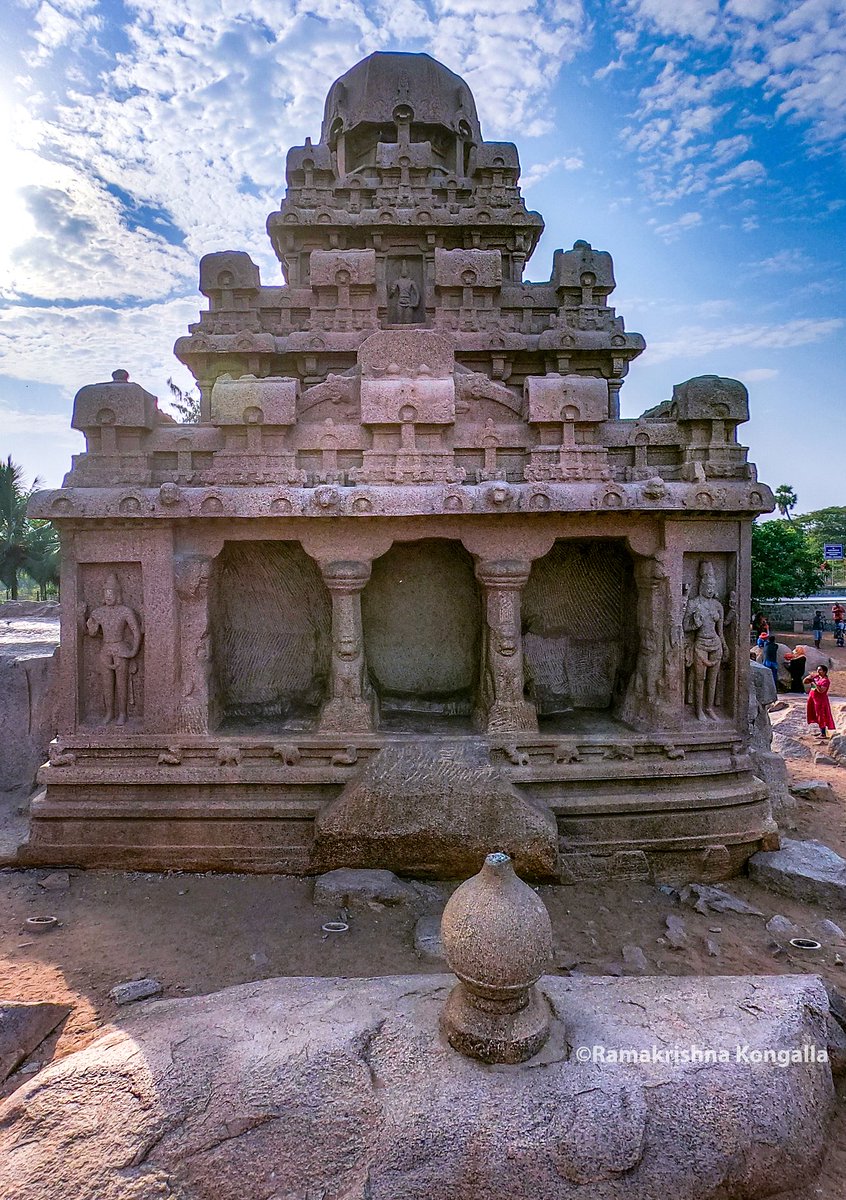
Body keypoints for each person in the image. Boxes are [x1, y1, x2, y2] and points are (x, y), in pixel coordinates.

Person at [804, 664, 835, 740]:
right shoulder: (816, 677)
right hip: (813, 699)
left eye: (820, 670)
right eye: (818, 669)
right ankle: (821, 731)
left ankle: (823, 734)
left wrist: (814, 683)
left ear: (824, 672)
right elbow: (805, 682)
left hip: (820, 701)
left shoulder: (825, 681)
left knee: (821, 715)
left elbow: (821, 691)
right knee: (815, 714)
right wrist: (809, 678)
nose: (818, 671)